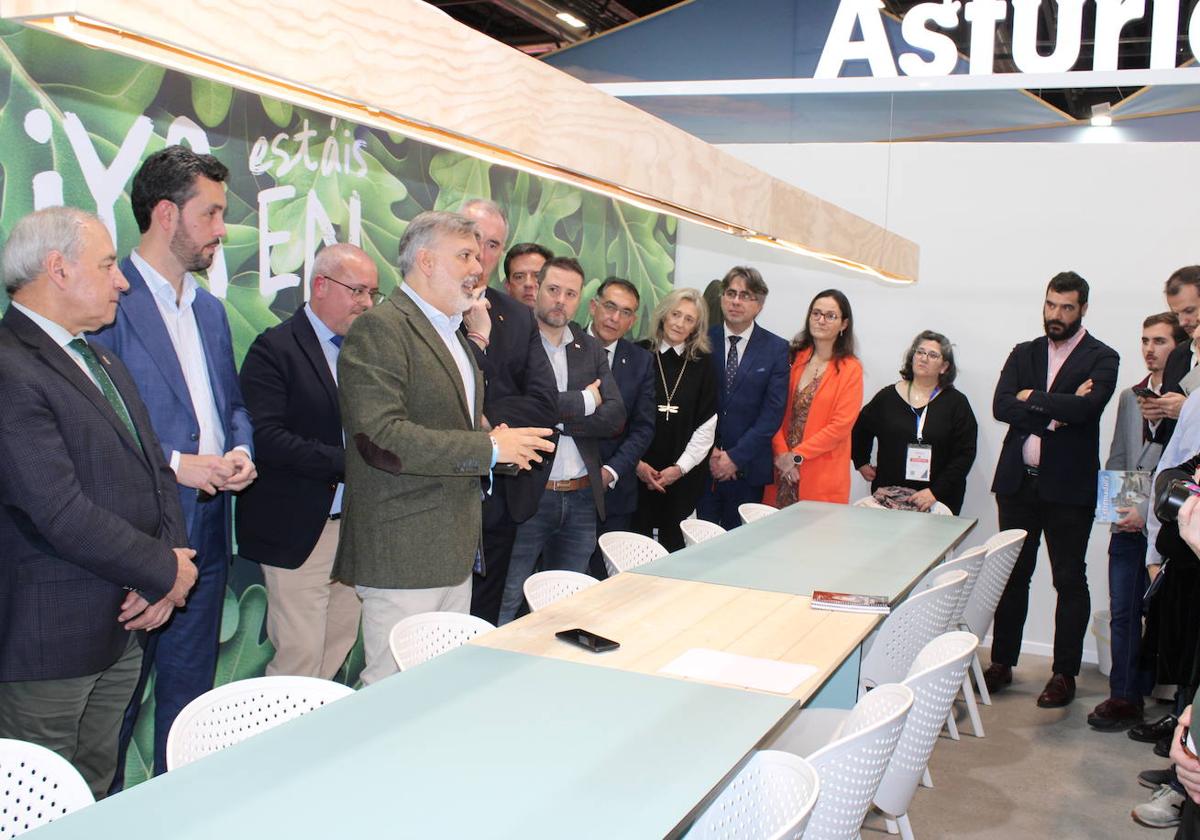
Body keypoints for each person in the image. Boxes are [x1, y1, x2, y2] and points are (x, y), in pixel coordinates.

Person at [0, 207, 197, 798]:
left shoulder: (98, 357)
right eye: (108, 264)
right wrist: (165, 572)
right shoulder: (9, 367)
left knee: (97, 791)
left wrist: (168, 568)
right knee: (38, 804)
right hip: (50, 639)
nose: (123, 280)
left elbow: (153, 469)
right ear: (57, 269)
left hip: (125, 623)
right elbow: (58, 510)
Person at [92, 146, 257, 782]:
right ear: (166, 213)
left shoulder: (211, 311)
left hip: (211, 535)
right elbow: (93, 425)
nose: (222, 229)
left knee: (188, 707)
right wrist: (175, 463)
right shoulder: (109, 304)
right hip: (135, 539)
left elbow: (231, 405)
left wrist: (240, 452)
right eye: (211, 213)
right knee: (114, 710)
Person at [333, 211, 554, 684]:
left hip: (453, 548)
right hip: (403, 549)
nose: (478, 267)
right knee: (391, 689)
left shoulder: (450, 332)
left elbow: (457, 422)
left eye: (479, 254)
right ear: (427, 261)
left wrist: (501, 446)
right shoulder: (382, 328)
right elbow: (381, 437)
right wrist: (491, 448)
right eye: (466, 255)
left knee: (435, 687)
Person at [235, 244, 380, 678]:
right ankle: (279, 744)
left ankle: (316, 740)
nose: (367, 304)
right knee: (298, 654)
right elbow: (268, 438)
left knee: (338, 642)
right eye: (357, 291)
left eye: (373, 293)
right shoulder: (275, 349)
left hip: (353, 526)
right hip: (299, 528)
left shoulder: (367, 354)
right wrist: (350, 463)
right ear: (320, 285)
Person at [983, 271, 1119, 709]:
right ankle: (1002, 663)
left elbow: (1087, 409)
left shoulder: (1103, 357)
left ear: (1082, 309)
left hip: (1068, 488)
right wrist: (1054, 411)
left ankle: (1064, 674)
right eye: (1050, 305)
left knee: (1069, 580)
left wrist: (1033, 399)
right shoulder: (1023, 352)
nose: (1056, 315)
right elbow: (1001, 404)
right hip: (1018, 484)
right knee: (1013, 577)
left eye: (1066, 307)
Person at [499, 258, 624, 623]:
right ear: (537, 289)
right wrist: (584, 401)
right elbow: (514, 410)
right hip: (530, 495)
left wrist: (558, 421)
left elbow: (616, 414)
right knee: (509, 598)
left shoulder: (589, 347)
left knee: (567, 607)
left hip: (583, 496)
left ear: (581, 301)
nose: (560, 301)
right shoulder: (516, 344)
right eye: (553, 290)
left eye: (571, 294)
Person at [458, 199, 558, 626]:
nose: (481, 253)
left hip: (496, 501)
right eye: (473, 239)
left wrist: (486, 418)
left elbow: (543, 402)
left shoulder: (517, 316)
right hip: (432, 504)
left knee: (481, 621)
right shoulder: (418, 315)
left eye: (493, 244)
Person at [1087, 313, 1186, 731]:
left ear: (1179, 349)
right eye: (1145, 340)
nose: (1149, 349)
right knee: (1124, 610)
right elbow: (1119, 458)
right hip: (1127, 523)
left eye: (1160, 341)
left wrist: (1144, 511)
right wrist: (1117, 513)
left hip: (1173, 528)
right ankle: (1123, 696)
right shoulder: (1131, 396)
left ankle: (1171, 704)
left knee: (1166, 616)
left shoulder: (1190, 402)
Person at [696, 266, 789, 530]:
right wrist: (711, 453)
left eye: (745, 295)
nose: (736, 301)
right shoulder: (702, 341)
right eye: (731, 293)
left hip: (748, 470)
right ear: (722, 298)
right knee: (701, 547)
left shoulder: (776, 349)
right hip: (704, 466)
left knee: (741, 551)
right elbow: (693, 403)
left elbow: (772, 413)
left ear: (759, 304)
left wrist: (735, 457)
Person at [851, 330, 977, 514]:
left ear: (944, 367)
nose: (924, 358)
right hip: (889, 499)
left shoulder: (957, 404)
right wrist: (861, 461)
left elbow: (965, 454)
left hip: (937, 501)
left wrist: (935, 492)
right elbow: (860, 429)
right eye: (920, 352)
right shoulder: (887, 397)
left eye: (932, 355)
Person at [632, 288, 718, 551]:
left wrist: (678, 469)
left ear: (696, 327)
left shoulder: (704, 365)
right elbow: (620, 417)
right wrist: (636, 464)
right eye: (675, 314)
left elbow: (707, 426)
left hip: (682, 477)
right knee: (634, 546)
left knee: (675, 550)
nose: (680, 323)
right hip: (636, 472)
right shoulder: (637, 354)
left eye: (689, 319)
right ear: (663, 315)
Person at [765, 289, 863, 507]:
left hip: (820, 475)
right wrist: (782, 455)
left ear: (844, 324)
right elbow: (773, 410)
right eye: (816, 313)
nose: (821, 320)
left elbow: (839, 427)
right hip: (779, 470)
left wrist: (796, 457)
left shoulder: (851, 369)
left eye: (830, 316)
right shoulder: (792, 357)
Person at [586, 276, 655, 578]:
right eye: (610, 307)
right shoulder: (563, 343)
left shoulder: (641, 362)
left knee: (604, 584)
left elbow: (643, 427)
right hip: (556, 491)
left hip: (614, 494)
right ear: (593, 306)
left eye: (625, 312)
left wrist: (610, 471)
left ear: (633, 321)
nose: (614, 318)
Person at [502, 242, 552, 308]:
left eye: (538, 276)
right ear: (508, 286)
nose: (528, 284)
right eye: (519, 277)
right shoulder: (488, 318)